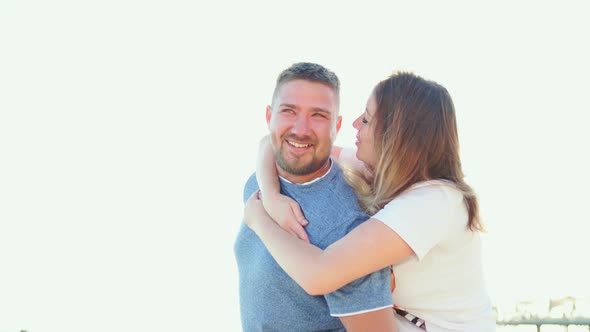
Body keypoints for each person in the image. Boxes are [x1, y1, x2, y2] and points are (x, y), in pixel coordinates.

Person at [244, 71, 497, 332]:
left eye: (366, 119)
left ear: (395, 135)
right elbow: (275, 145)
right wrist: (272, 198)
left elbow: (319, 275)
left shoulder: (433, 203)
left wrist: (260, 221)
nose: (355, 124)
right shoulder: (381, 171)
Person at [234, 62, 397, 332]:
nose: (301, 128)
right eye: (289, 111)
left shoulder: (347, 227)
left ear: (337, 125)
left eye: (318, 115)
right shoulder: (261, 181)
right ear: (269, 116)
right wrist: (271, 199)